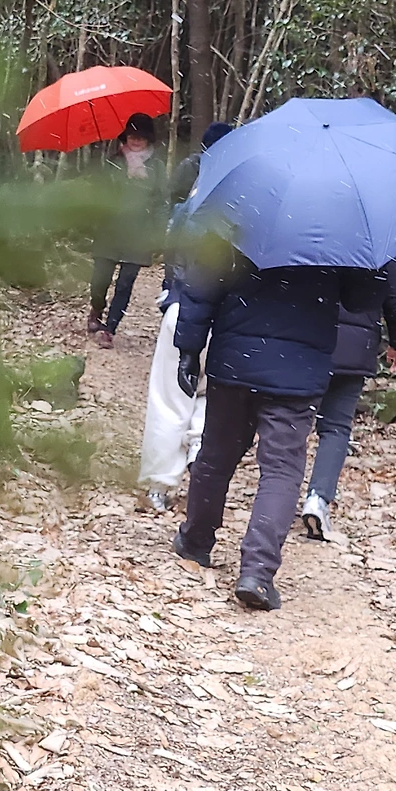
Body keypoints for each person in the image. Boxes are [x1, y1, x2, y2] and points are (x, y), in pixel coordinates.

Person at [172, 241, 385, 611]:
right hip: (298, 371)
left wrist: (189, 349)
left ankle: (196, 540)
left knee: (217, 455)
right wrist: (369, 265)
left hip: (236, 360)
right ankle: (256, 571)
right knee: (281, 469)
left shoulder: (242, 215)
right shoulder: (340, 231)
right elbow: (360, 300)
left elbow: (203, 281)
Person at [136, 122, 234, 512]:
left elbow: (173, 258)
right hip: (232, 321)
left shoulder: (191, 207)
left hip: (186, 308)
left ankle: (159, 484)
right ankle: (198, 450)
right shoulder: (256, 209)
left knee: (170, 397)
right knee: (212, 394)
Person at [301, 251, 396, 540]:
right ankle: (318, 498)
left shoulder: (312, 227)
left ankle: (277, 497)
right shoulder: (385, 238)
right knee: (336, 427)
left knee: (293, 421)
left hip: (305, 336)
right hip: (355, 345)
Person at [89, 113, 165, 349]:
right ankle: (96, 309)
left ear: (148, 138)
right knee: (100, 279)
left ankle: (109, 329)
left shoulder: (157, 167)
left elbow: (161, 201)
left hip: (139, 234)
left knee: (125, 284)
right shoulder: (114, 162)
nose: (136, 140)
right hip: (110, 229)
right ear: (125, 137)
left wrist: (159, 233)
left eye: (141, 136)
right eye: (132, 136)